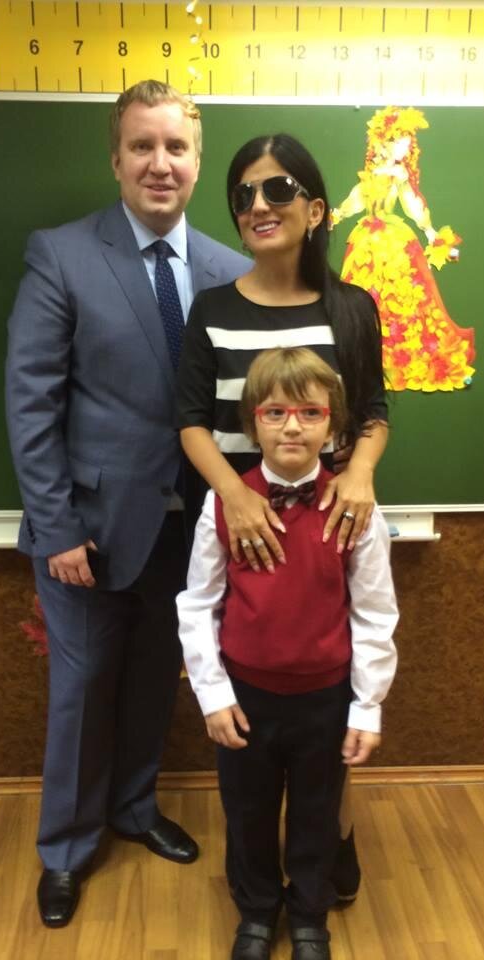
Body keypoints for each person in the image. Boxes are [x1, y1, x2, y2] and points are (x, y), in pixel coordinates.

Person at [5, 79, 250, 928]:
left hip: (190, 536)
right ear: (115, 160)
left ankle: (134, 809)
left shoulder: (229, 272)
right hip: (89, 534)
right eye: (142, 146)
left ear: (197, 162)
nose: (159, 163)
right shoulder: (61, 255)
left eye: (175, 147)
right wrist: (57, 527)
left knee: (153, 680)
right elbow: (31, 403)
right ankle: (67, 850)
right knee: (81, 693)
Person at [176, 133, 389, 902]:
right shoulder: (213, 309)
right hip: (236, 523)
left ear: (316, 208)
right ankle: (258, 878)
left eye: (277, 189)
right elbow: (190, 420)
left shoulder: (351, 308)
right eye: (244, 194)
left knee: (329, 695)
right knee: (256, 702)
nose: (259, 205)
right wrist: (235, 496)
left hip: (327, 519)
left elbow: (373, 412)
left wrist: (359, 472)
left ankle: (328, 842)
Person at [178, 346, 398, 960]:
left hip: (325, 698)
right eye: (275, 412)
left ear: (333, 424)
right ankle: (255, 912)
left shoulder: (354, 508)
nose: (292, 426)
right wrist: (213, 695)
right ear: (253, 423)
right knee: (247, 811)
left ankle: (309, 916)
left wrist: (367, 706)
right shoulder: (223, 504)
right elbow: (198, 604)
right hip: (244, 698)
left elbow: (375, 612)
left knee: (317, 812)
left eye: (309, 412)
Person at [330, 105, 475, 392]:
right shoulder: (372, 175)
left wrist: (430, 231)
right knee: (364, 298)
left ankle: (399, 356)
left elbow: (412, 204)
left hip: (391, 244)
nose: (407, 149)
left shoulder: (398, 174)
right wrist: (336, 215)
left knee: (402, 298)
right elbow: (356, 199)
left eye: (408, 144)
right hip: (368, 244)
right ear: (385, 142)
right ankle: (363, 358)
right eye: (402, 143)